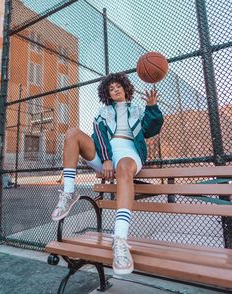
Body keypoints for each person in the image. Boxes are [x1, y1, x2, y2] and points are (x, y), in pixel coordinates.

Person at [51, 73, 164, 275]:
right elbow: (100, 136)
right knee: (72, 133)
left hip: (129, 153)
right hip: (107, 155)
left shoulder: (137, 109)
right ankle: (68, 194)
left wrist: (153, 108)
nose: (115, 90)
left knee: (123, 168)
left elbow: (150, 130)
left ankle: (120, 240)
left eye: (118, 86)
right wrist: (106, 158)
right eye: (111, 89)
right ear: (108, 94)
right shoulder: (103, 113)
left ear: (125, 88)